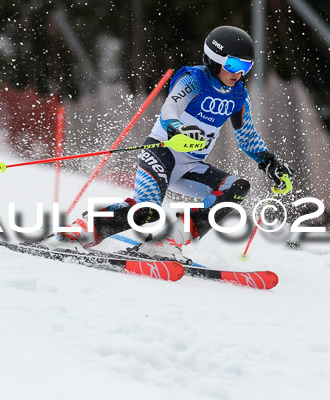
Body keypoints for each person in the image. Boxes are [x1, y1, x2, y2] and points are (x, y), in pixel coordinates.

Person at [47, 25, 294, 262]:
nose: (238, 72)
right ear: (214, 58)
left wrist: (270, 163)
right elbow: (170, 110)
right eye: (232, 64)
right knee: (146, 211)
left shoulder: (238, 94)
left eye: (246, 66)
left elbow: (247, 136)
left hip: (190, 165)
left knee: (236, 187)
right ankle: (76, 233)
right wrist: (179, 129)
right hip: (161, 153)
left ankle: (165, 243)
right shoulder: (194, 78)